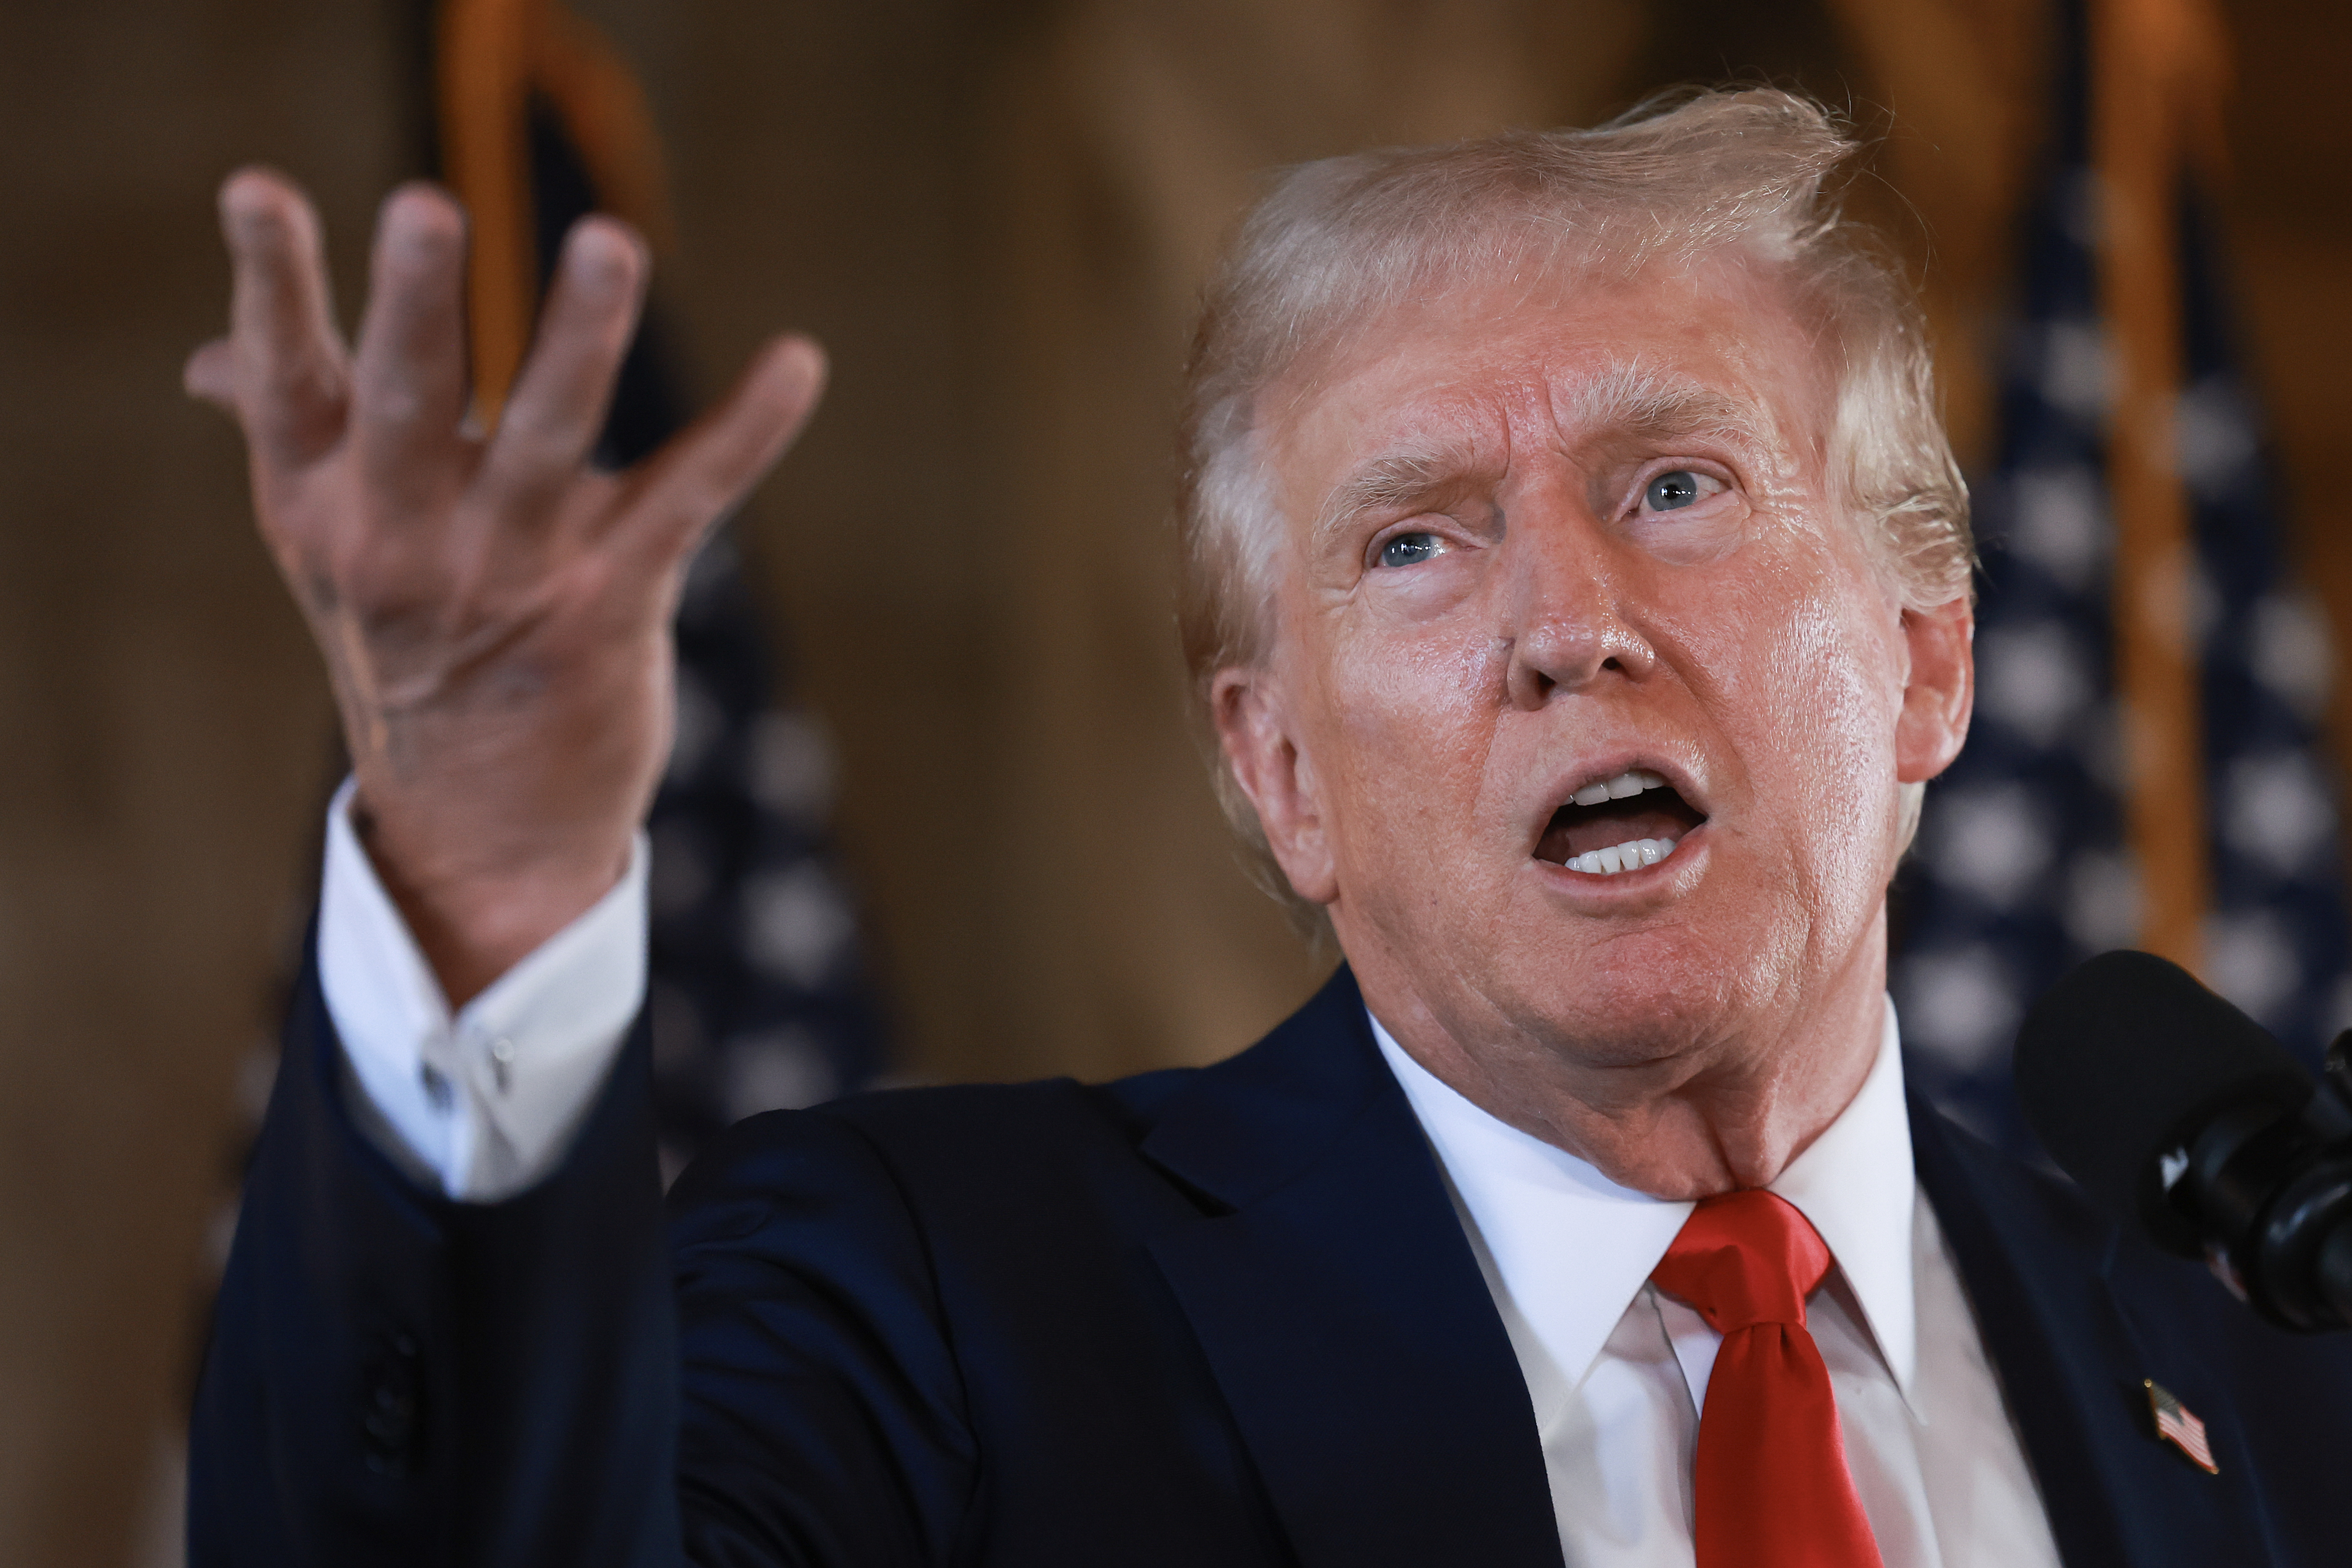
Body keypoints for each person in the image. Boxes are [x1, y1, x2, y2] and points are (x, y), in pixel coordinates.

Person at [185, 89, 2352, 1567]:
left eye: (1674, 485)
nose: (1565, 622)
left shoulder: (2268, 1365)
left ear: (1928, 659)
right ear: (1279, 772)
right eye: (1415, 542)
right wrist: (477, 884)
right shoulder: (935, 1307)